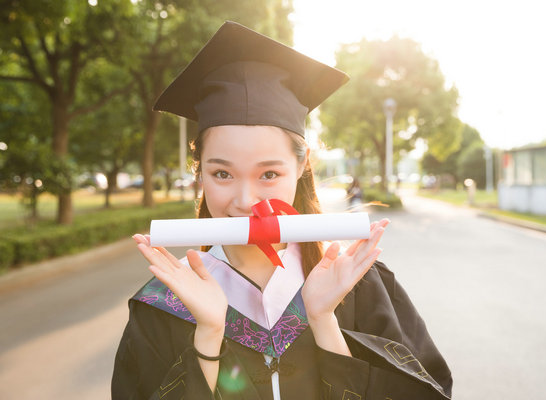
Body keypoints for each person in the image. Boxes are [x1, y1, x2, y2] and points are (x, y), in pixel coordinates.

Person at [112, 21, 452, 399]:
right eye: (222, 173)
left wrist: (324, 322)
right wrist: (208, 336)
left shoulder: (356, 284)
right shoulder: (166, 305)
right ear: (199, 172)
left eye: (269, 173)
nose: (245, 201)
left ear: (301, 168)